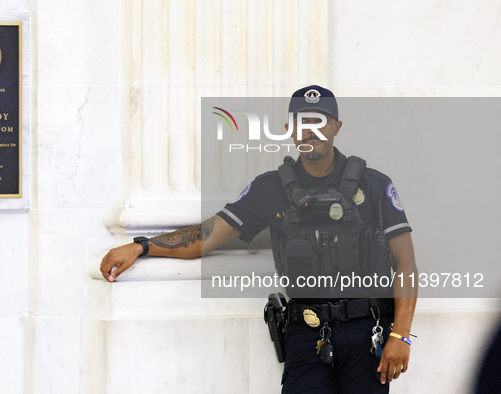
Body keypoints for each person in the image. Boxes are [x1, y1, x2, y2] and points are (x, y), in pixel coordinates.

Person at [101, 85, 418, 393]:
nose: (311, 130)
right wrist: (142, 246)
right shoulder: (271, 190)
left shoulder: (374, 186)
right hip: (307, 333)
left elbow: (405, 262)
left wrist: (401, 335)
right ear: (289, 130)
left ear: (337, 126)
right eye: (302, 122)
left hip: (367, 332)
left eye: (320, 121)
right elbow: (206, 235)